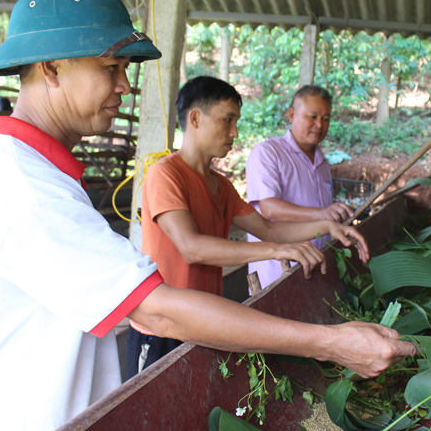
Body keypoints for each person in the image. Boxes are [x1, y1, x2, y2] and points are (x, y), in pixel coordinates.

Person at [0, 0, 416, 430]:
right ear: (51, 69)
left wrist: (314, 234)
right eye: (111, 68)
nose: (125, 85)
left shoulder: (39, 172)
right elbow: (161, 305)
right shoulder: (27, 190)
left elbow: (266, 228)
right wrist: (328, 343)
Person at [128, 76, 371, 378]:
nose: (235, 132)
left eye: (236, 122)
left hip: (203, 322)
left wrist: (326, 227)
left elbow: (269, 228)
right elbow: (192, 248)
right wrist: (274, 249)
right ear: (195, 118)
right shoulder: (165, 175)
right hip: (160, 325)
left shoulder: (222, 185)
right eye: (228, 120)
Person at [246, 85, 354, 287]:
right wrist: (321, 214)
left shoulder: (322, 162)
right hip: (278, 273)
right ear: (292, 114)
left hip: (317, 268)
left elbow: (321, 212)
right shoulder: (268, 153)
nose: (319, 125)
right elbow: (269, 208)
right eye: (312, 116)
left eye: (326, 119)